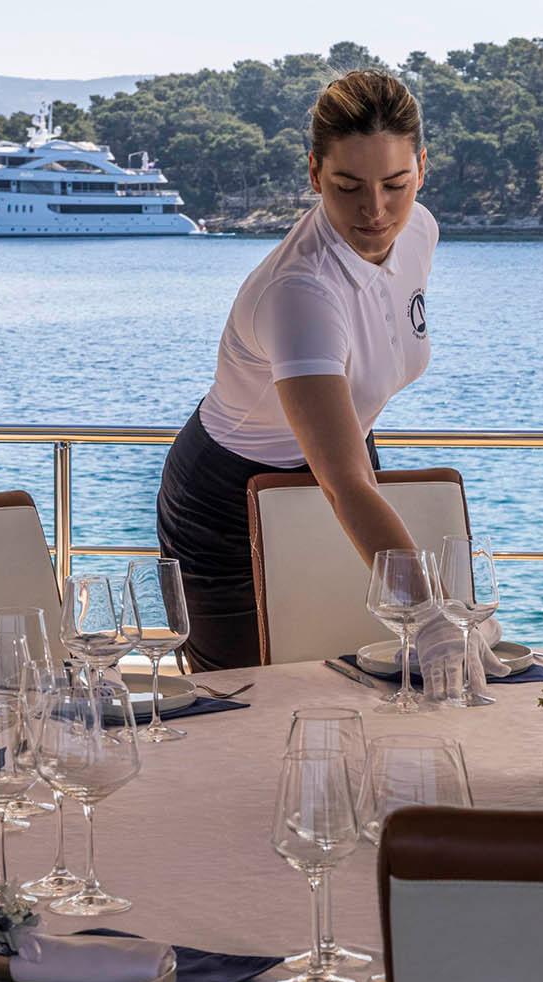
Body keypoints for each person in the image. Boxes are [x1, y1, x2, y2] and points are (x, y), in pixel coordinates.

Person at [157, 69, 436, 671]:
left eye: (396, 183)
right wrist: (436, 619)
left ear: (421, 166)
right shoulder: (299, 292)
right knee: (248, 708)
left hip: (343, 462)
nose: (376, 210)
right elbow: (346, 485)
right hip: (228, 501)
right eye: (347, 185)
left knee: (370, 676)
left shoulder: (420, 232)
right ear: (313, 172)